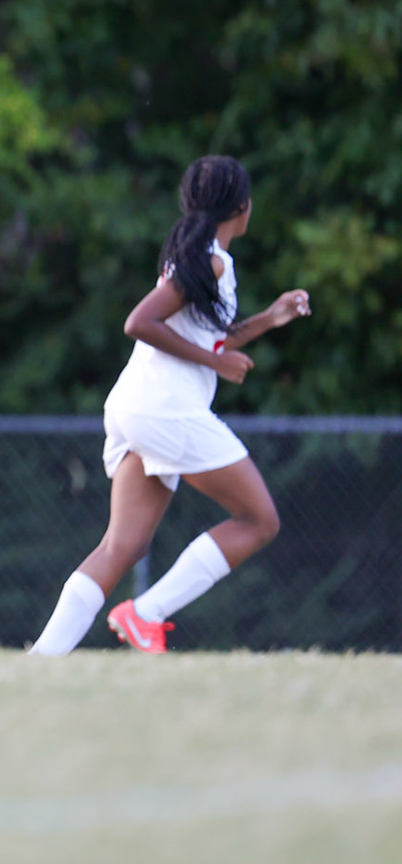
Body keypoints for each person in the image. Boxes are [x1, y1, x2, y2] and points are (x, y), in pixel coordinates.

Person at [29, 156, 310, 655]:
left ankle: (41, 659)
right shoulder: (211, 259)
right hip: (165, 410)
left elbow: (205, 336)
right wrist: (215, 363)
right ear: (242, 208)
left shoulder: (207, 257)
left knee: (122, 546)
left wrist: (268, 319)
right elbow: (140, 322)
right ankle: (145, 612)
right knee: (259, 520)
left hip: (135, 406)